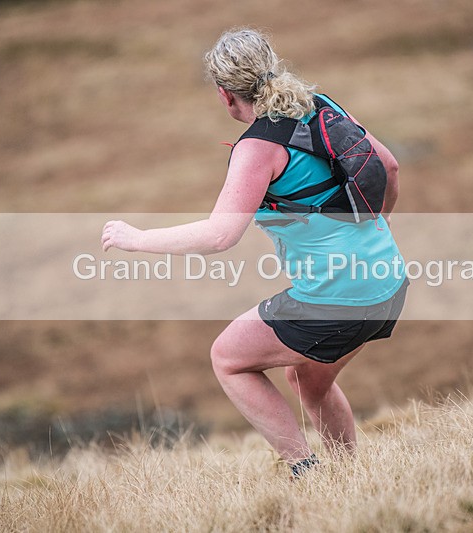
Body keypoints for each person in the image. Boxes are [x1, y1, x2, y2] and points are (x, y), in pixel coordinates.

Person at [101, 28, 407, 477]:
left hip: (337, 298)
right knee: (308, 381)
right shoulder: (322, 106)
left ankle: (308, 471)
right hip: (389, 282)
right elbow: (389, 166)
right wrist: (374, 234)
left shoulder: (257, 147)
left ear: (226, 96)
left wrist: (136, 238)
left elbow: (220, 236)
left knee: (228, 358)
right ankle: (350, 479)